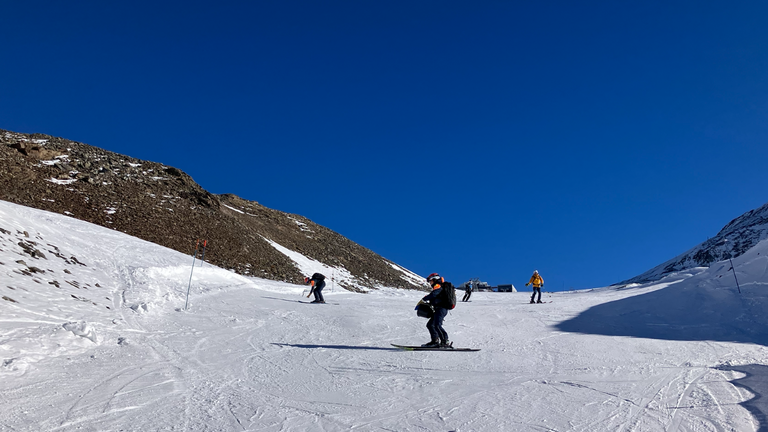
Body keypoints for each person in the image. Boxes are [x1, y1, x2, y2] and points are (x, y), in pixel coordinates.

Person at [418, 273, 452, 348]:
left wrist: (424, 299)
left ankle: (445, 341)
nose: (429, 283)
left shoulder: (438, 285)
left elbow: (433, 294)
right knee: (430, 325)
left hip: (441, 309)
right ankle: (435, 341)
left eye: (430, 280)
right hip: (438, 309)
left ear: (434, 279)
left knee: (437, 325)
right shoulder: (438, 286)